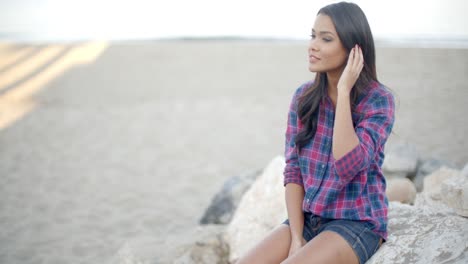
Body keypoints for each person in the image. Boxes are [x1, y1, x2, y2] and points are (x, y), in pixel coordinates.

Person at [236, 2, 395, 264]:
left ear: (354, 49)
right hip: (309, 219)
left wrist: (344, 92)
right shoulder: (303, 98)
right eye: (313, 36)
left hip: (355, 223)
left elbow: (347, 165)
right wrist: (297, 237)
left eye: (326, 39)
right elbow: (294, 170)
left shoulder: (378, 101)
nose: (313, 45)